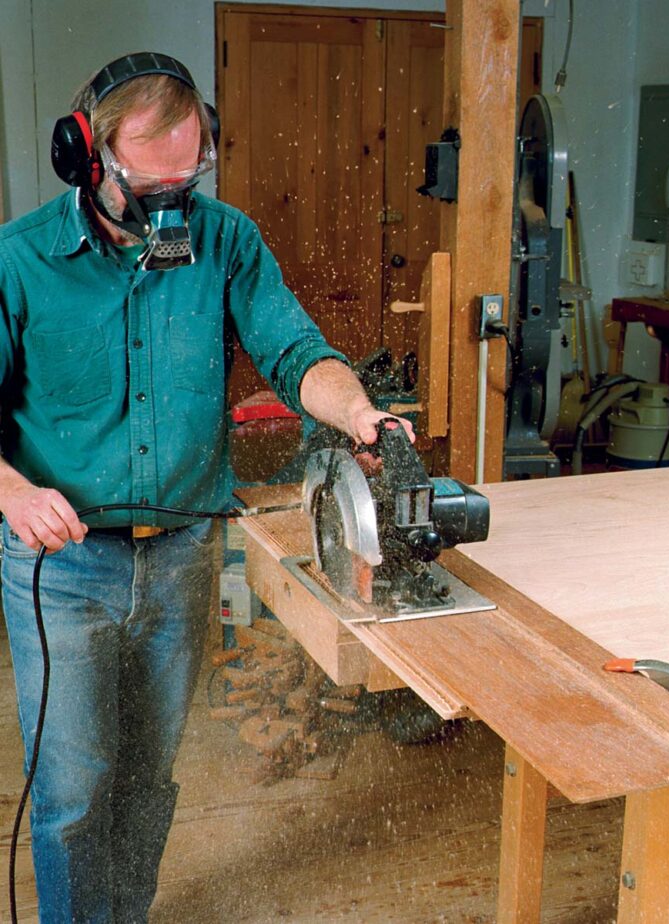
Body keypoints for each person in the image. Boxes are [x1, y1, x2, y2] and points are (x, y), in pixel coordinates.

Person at [0, 52, 412, 923]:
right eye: (151, 192)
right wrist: (11, 494)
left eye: (185, 186)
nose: (170, 212)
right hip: (61, 569)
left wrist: (360, 416)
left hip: (183, 553)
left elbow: (296, 354)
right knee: (74, 789)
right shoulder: (21, 261)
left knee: (149, 775)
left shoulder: (224, 238)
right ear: (86, 155)